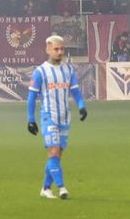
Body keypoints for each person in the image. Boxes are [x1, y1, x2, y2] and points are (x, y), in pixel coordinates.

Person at [27, 34, 88, 199]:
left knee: (58, 153)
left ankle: (46, 188)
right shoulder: (40, 72)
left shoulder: (68, 70)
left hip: (65, 117)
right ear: (48, 49)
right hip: (49, 117)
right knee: (53, 151)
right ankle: (62, 188)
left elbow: (75, 92)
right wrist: (31, 119)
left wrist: (82, 106)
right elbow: (31, 97)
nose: (60, 52)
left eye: (62, 49)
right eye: (56, 49)